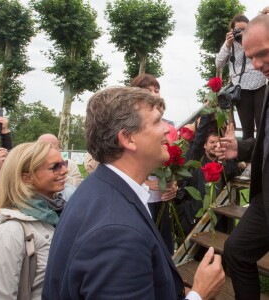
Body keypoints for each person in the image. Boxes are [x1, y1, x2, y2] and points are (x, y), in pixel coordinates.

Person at [42, 86, 225, 299]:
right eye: (157, 121)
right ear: (128, 139)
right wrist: (200, 294)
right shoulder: (116, 233)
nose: (167, 130)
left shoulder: (99, 187)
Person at [215, 15, 269, 300]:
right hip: (264, 200)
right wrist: (242, 148)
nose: (258, 65)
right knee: (236, 251)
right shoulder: (268, 84)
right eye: (252, 57)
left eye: (263, 54)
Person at [0, 140, 68, 299]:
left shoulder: (58, 214)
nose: (65, 170)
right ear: (27, 178)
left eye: (64, 163)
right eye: (55, 167)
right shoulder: (9, 231)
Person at [130, 73, 178, 253]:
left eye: (156, 90)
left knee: (164, 248)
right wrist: (147, 183)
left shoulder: (168, 128)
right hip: (139, 201)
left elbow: (173, 162)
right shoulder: (125, 125)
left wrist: (173, 185)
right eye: (147, 90)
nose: (153, 94)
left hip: (162, 200)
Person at [216, 14, 266, 141]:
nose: (242, 33)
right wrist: (227, 44)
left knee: (263, 125)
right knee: (247, 128)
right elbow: (219, 63)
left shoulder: (254, 39)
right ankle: (250, 158)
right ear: (232, 31)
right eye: (238, 30)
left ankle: (263, 157)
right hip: (241, 88)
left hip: (260, 85)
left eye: (245, 29)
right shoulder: (230, 44)